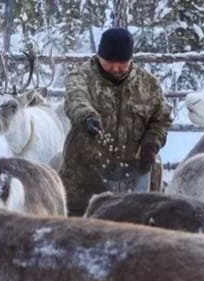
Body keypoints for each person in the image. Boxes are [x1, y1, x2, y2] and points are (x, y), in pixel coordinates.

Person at [62, 27, 172, 214]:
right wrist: (87, 116)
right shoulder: (81, 77)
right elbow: (76, 99)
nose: (115, 68)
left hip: (131, 178)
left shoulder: (148, 84)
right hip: (84, 180)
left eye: (122, 63)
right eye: (109, 62)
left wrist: (151, 143)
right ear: (99, 57)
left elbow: (161, 118)